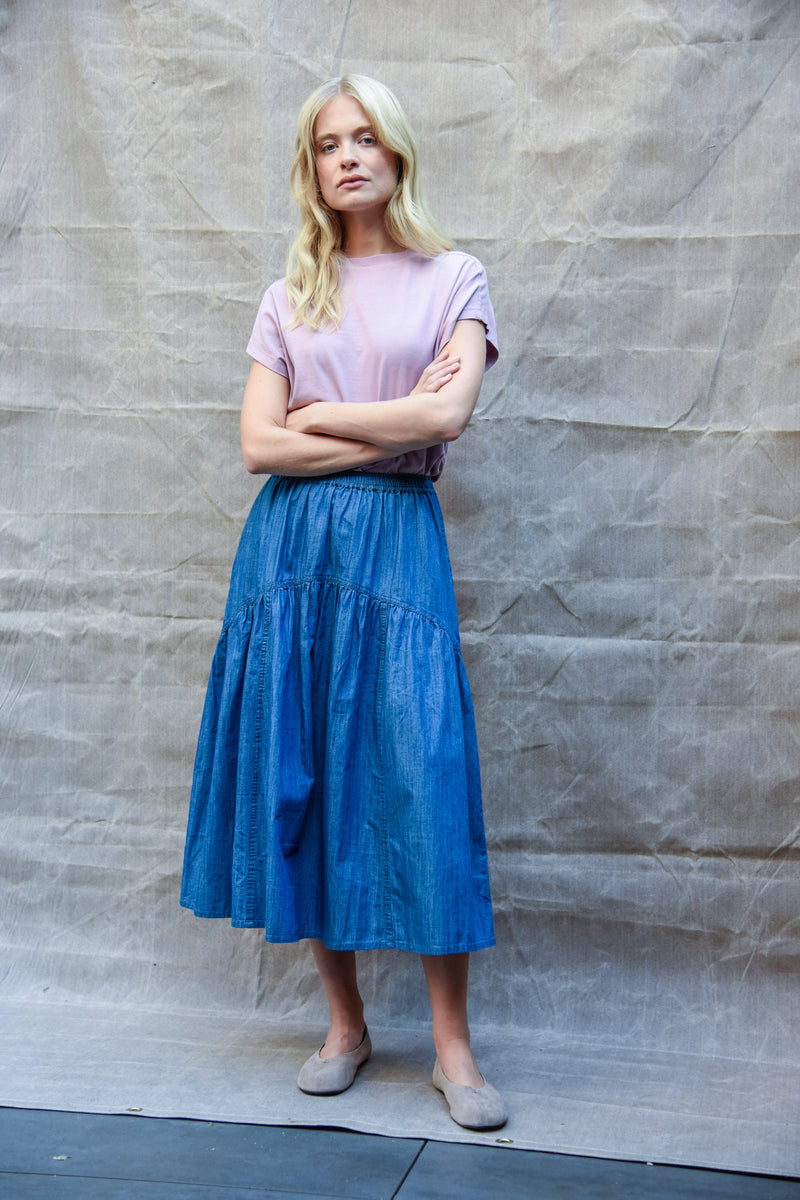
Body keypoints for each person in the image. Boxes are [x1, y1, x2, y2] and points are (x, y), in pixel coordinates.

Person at [180, 73, 506, 1131]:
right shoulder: (289, 295)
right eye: (328, 145)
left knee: (421, 773)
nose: (348, 157)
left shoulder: (454, 278)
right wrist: (390, 419)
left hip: (396, 556)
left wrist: (324, 417)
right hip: (289, 560)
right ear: (311, 169)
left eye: (365, 138)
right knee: (305, 772)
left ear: (397, 152)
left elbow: (446, 417)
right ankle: (345, 1026)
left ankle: (452, 1049)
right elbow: (255, 446)